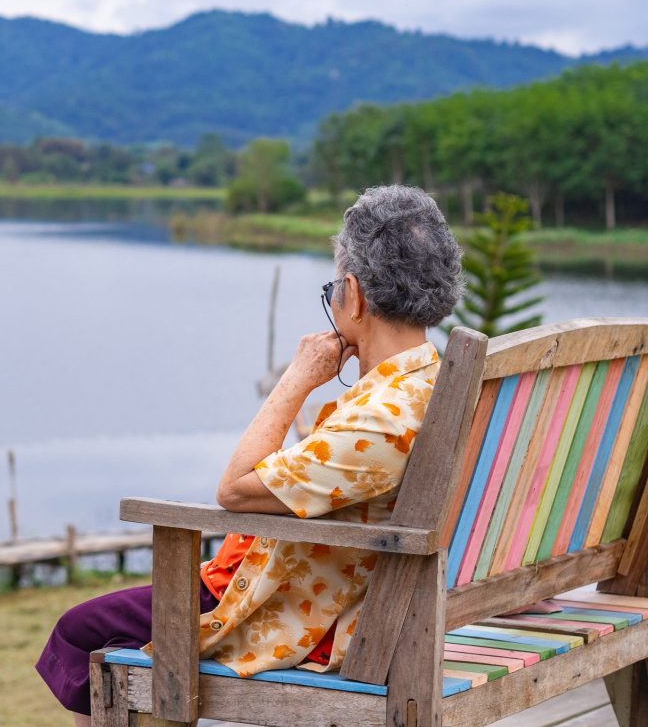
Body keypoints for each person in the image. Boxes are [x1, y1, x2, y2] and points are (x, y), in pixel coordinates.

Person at [36, 184, 465, 725]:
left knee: (79, 635)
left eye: (334, 288)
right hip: (381, 594)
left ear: (353, 295)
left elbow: (234, 490)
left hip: (310, 617)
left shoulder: (383, 417)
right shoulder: (439, 384)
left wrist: (299, 377)